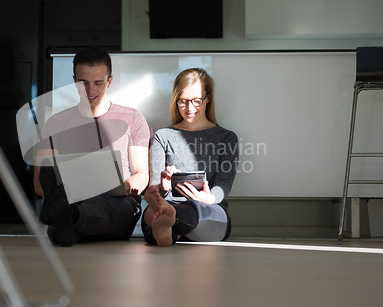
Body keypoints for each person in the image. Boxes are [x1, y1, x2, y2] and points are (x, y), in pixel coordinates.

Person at [34, 47, 150, 246]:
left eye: (98, 83)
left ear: (110, 81)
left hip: (118, 202)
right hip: (73, 197)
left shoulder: (132, 119)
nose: (90, 91)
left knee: (102, 206)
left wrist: (121, 188)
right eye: (83, 83)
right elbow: (40, 182)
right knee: (73, 202)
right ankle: (67, 221)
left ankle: (65, 217)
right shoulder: (55, 123)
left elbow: (142, 174)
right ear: (74, 80)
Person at [142, 68, 238, 247]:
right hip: (168, 202)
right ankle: (167, 222)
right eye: (183, 101)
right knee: (154, 208)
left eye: (196, 101)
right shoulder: (163, 136)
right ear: (175, 100)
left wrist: (208, 198)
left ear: (207, 98)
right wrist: (163, 187)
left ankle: (167, 225)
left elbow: (224, 184)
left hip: (208, 207)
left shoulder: (226, 138)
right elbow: (154, 187)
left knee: (191, 209)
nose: (189, 108)